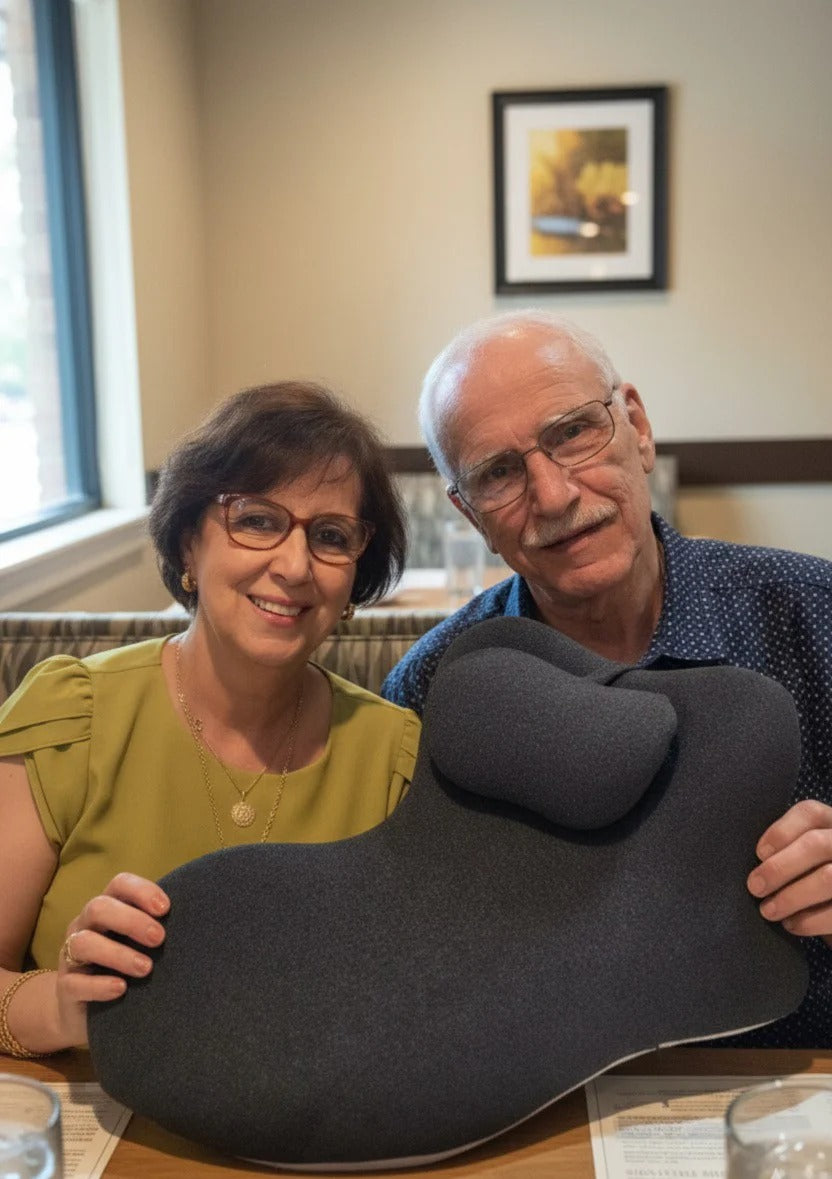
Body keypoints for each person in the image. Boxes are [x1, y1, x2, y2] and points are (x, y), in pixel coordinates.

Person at [381, 310, 832, 1048]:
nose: (554, 495)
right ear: (469, 514)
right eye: (499, 473)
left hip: (790, 1081)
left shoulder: (815, 618)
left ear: (638, 428)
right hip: (542, 1097)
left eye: (572, 433)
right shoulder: (430, 686)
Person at [0, 381, 420, 1058]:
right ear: (189, 544)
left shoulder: (392, 755)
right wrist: (59, 1006)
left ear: (354, 580)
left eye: (331, 536)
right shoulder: (72, 719)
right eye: (257, 520)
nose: (294, 566)